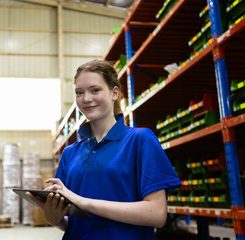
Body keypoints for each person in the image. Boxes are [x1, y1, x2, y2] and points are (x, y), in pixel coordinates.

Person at [27, 59, 181, 239]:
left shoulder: (140, 140)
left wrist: (83, 202)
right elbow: (72, 223)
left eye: (95, 90)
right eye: (79, 92)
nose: (86, 98)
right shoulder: (70, 153)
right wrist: (54, 218)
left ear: (114, 93)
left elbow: (156, 214)